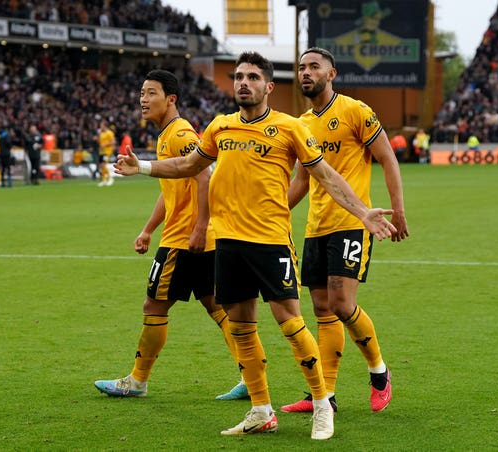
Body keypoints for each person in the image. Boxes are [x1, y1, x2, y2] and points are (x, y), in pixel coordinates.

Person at [115, 51, 397, 440]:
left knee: (291, 323)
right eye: (238, 77)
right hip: (228, 244)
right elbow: (187, 167)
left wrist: (363, 212)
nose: (243, 83)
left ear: (269, 86)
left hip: (271, 243)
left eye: (252, 77)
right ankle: (261, 410)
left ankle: (321, 405)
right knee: (243, 328)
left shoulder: (289, 127)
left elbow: (326, 176)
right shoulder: (220, 127)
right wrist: (143, 166)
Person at [94, 70, 246, 401]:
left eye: (150, 93)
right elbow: (174, 186)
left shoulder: (179, 133)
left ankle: (137, 380)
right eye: (141, 93)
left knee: (154, 305)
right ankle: (250, 375)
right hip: (197, 236)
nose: (143, 100)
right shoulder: (167, 136)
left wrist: (200, 225)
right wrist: (148, 229)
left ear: (170, 99)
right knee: (216, 306)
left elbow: (204, 175)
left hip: (184, 239)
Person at [281, 47, 409, 415]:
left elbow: (388, 157)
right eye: (302, 67)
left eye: (313, 67)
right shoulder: (302, 123)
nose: (306, 73)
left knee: (341, 304)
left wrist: (397, 210)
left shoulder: (356, 111)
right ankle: (325, 396)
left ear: (331, 73)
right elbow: (302, 181)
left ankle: (379, 372)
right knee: (322, 309)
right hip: (316, 226)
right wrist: (274, 212)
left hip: (353, 223)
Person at [97, 120, 116, 186]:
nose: (100, 127)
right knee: (101, 166)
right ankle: (104, 180)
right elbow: (100, 143)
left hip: (107, 151)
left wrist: (105, 144)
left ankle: (110, 178)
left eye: (101, 125)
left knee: (103, 165)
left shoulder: (109, 133)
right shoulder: (101, 134)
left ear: (105, 126)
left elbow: (113, 142)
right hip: (101, 152)